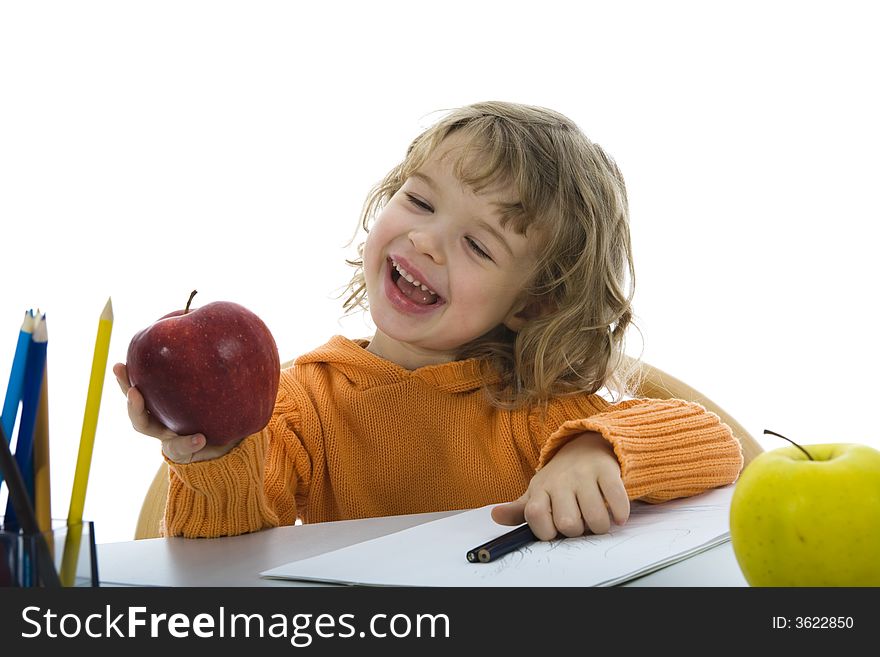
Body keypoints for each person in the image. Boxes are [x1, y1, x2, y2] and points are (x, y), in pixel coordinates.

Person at [113, 101, 743, 540]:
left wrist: (595, 448)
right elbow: (221, 549)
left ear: (531, 304)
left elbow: (720, 448)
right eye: (418, 200)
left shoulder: (540, 410)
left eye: (479, 245)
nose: (426, 242)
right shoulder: (307, 401)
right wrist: (215, 451)